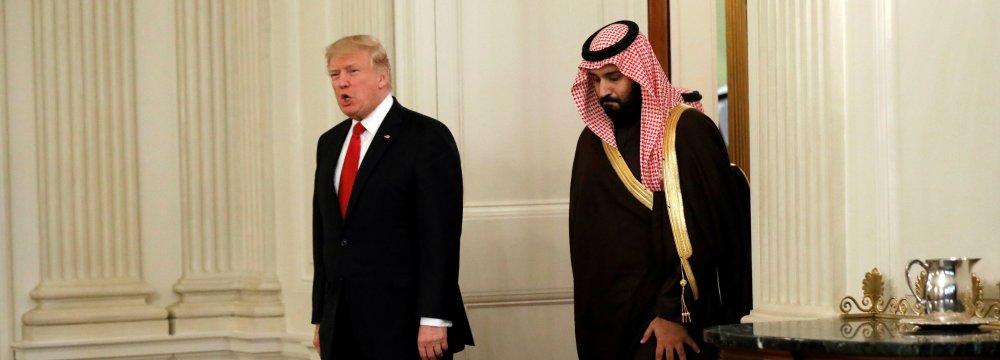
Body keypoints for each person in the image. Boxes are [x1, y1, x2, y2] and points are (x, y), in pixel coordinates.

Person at [568, 20, 752, 360]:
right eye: (595, 80)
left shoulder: (688, 132)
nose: (603, 90)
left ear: (639, 73)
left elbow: (699, 231)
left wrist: (673, 313)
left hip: (666, 325)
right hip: (607, 321)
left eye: (613, 77)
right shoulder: (592, 143)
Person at [311, 34, 474, 360]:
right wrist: (321, 315)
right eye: (334, 74)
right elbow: (325, 235)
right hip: (342, 324)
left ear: (382, 77)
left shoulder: (426, 137)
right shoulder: (329, 143)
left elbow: (439, 235)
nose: (342, 83)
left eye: (352, 71)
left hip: (406, 324)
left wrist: (434, 316)